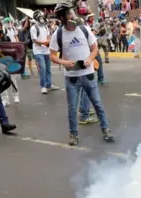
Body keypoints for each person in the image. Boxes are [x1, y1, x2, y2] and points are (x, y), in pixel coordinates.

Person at [49, 2, 115, 146]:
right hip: (71, 78)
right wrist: (64, 62)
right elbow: (52, 55)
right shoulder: (58, 34)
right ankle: (73, 134)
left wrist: (90, 59)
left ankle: (106, 130)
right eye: (68, 13)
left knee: (97, 104)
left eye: (72, 12)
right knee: (72, 108)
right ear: (61, 17)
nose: (72, 15)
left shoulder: (84, 29)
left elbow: (95, 49)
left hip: (88, 75)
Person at [0, 20, 21, 106]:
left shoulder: (7, 37)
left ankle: (16, 95)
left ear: (1, 26)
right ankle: (5, 99)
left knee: (13, 79)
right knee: (1, 81)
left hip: (8, 61)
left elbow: (12, 48)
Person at [31, 10, 59, 94]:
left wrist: (49, 42)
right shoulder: (33, 28)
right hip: (38, 51)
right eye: (40, 17)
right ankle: (43, 86)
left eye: (42, 17)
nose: (42, 18)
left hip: (46, 50)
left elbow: (48, 36)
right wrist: (44, 43)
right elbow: (34, 40)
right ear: (36, 18)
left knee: (48, 69)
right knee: (43, 69)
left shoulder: (45, 27)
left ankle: (49, 85)